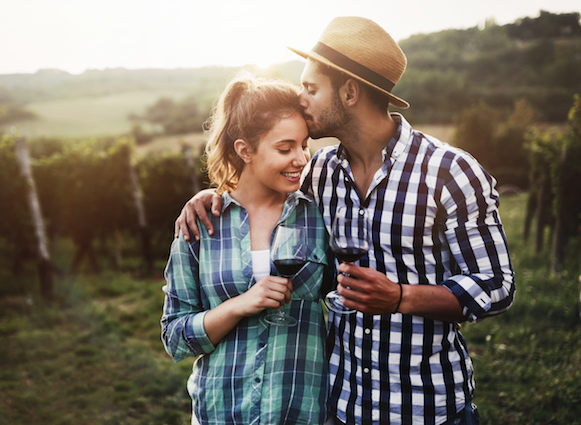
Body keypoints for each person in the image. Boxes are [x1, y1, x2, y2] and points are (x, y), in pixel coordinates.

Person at [174, 16, 516, 425]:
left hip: (428, 408)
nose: (301, 99)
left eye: (311, 88)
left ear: (350, 92)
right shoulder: (320, 174)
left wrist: (401, 298)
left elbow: (496, 285)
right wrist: (212, 195)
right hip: (343, 409)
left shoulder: (449, 171)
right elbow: (259, 189)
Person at [161, 72, 330, 425]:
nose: (300, 158)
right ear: (245, 150)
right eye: (285, 148)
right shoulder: (201, 224)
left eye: (304, 145)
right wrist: (239, 305)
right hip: (221, 413)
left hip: (299, 414)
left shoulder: (319, 216)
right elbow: (175, 338)